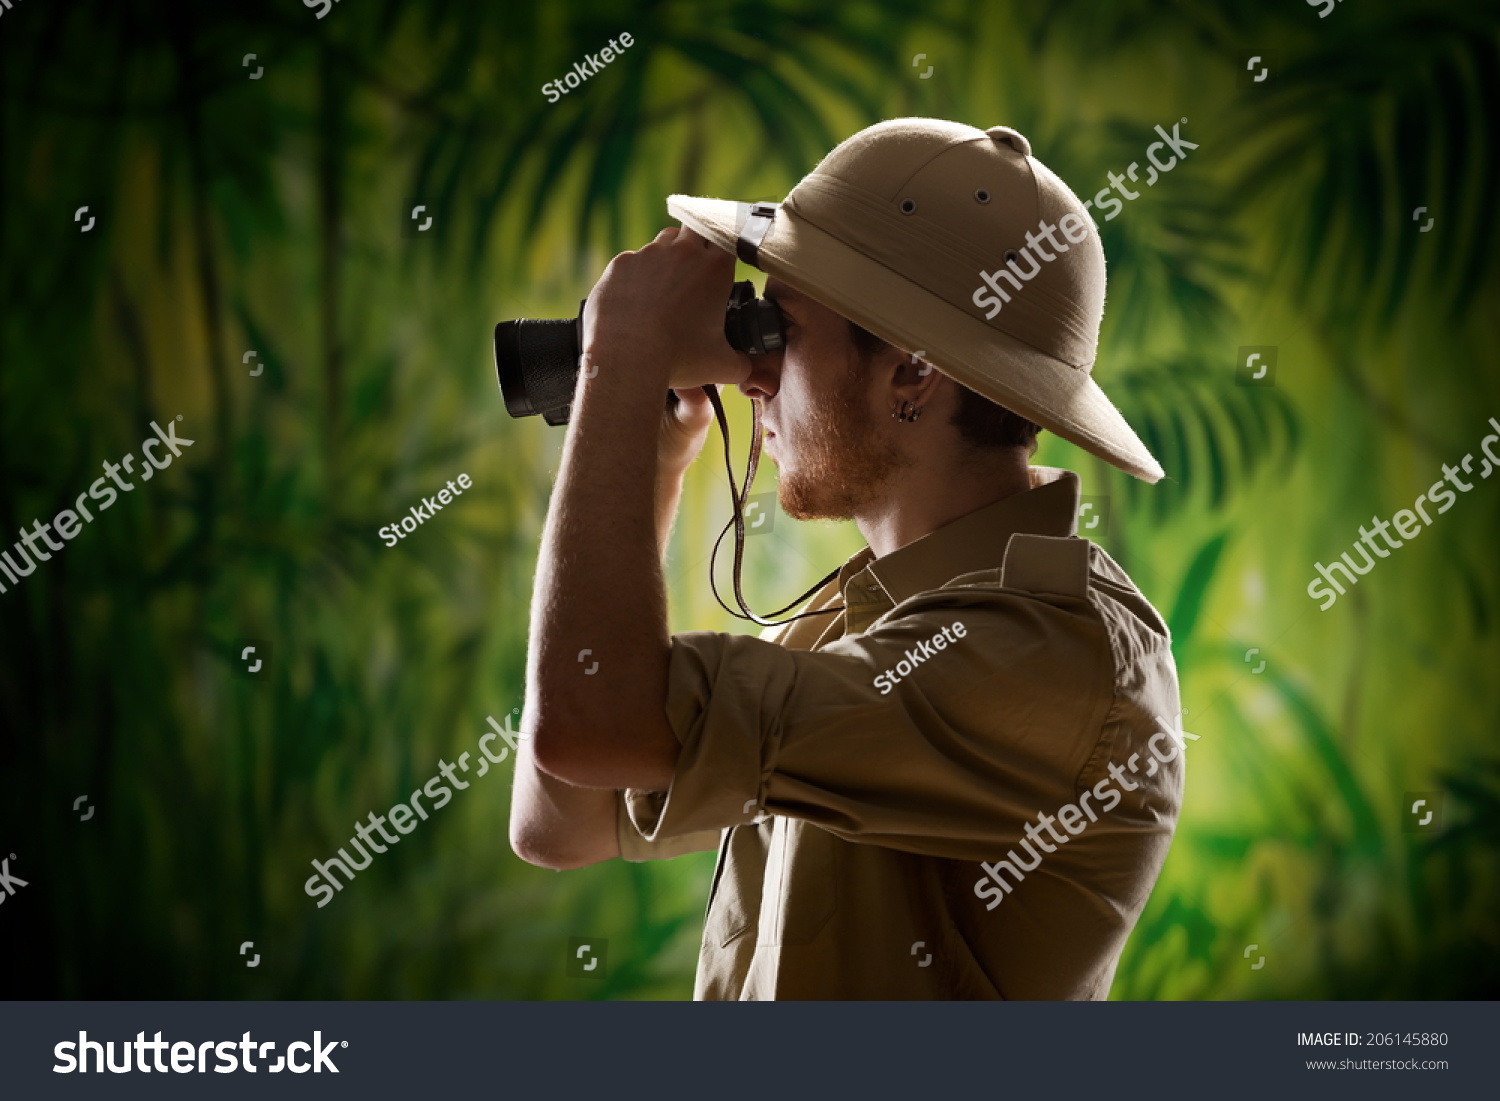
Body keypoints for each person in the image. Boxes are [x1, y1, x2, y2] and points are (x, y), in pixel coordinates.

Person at [508, 118, 1184, 999]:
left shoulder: (1050, 654)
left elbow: (590, 721)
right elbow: (564, 818)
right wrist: (648, 450)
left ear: (913, 370)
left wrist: (621, 360)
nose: (753, 374)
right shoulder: (855, 623)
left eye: (780, 327)